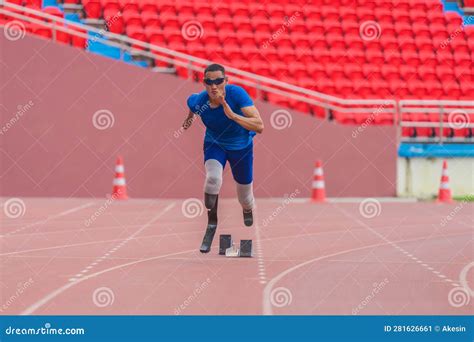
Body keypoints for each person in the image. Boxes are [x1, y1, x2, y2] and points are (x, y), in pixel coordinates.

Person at [182, 63, 264, 253]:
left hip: (240, 147)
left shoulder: (237, 95)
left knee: (245, 196)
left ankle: (247, 207)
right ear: (204, 83)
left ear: (226, 81)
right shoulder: (200, 101)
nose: (214, 86)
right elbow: (191, 104)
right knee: (213, 179)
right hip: (215, 144)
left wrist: (232, 115)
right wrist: (188, 120)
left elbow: (259, 126)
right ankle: (211, 224)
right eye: (209, 82)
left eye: (218, 81)